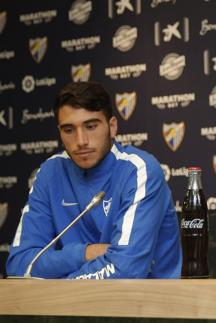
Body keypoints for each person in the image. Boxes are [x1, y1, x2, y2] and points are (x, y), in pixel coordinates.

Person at [7, 82, 182, 279]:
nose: (81, 141)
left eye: (90, 126)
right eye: (69, 130)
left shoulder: (139, 170)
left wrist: (59, 286)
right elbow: (19, 265)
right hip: (69, 307)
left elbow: (125, 270)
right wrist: (84, 253)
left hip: (146, 305)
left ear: (112, 127)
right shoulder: (50, 173)